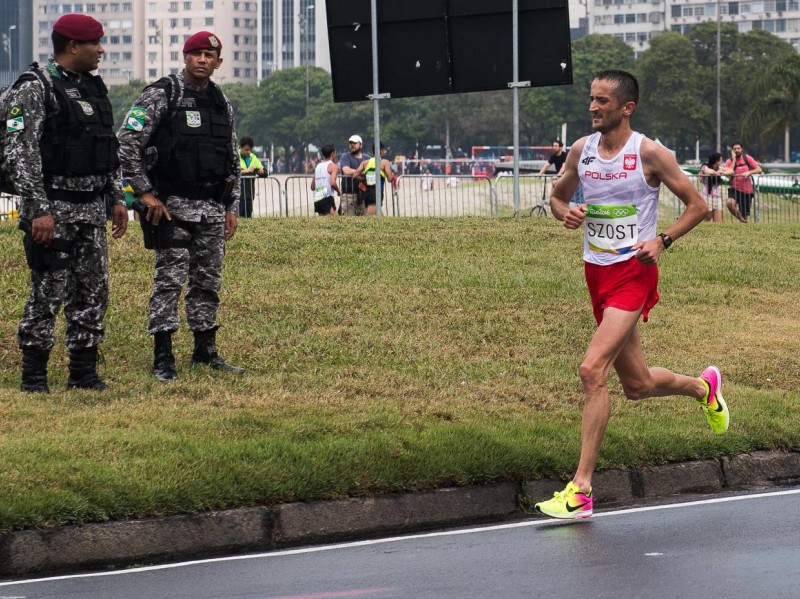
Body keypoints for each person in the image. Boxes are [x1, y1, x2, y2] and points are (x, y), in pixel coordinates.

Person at [535, 70, 729, 520]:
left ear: (627, 108)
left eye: (602, 101)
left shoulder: (649, 153)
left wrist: (662, 241)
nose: (592, 107)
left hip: (633, 275)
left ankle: (580, 490)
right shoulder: (582, 151)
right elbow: (557, 196)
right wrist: (567, 212)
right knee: (637, 385)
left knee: (591, 370)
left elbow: (699, 205)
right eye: (590, 99)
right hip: (596, 275)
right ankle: (704, 388)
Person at [4, 13, 128, 393]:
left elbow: (108, 147)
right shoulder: (35, 87)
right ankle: (34, 376)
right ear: (73, 46)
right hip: (53, 209)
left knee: (93, 291)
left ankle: (83, 373)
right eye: (96, 43)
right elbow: (19, 151)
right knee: (47, 292)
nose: (101, 49)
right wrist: (39, 209)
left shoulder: (93, 88)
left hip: (91, 209)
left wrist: (117, 196)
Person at [117, 30, 245, 382]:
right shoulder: (162, 94)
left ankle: (205, 350)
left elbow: (231, 159)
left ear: (218, 62)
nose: (203, 60)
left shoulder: (221, 102)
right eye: (196, 54)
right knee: (169, 282)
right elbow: (127, 142)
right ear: (185, 57)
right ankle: (163, 356)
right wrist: (144, 193)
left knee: (207, 282)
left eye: (210, 55)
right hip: (171, 208)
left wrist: (232, 206)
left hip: (212, 210)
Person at [721, 142, 761, 223]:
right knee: (730, 203)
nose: (737, 150)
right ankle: (741, 218)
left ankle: (743, 222)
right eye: (735, 149)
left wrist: (749, 172)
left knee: (745, 214)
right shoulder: (729, 161)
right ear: (732, 151)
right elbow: (730, 172)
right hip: (734, 188)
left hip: (747, 190)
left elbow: (759, 170)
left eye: (738, 148)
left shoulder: (747, 158)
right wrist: (734, 160)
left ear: (742, 149)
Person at [354, 143, 394, 216]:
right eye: (383, 150)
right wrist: (392, 175)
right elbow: (389, 179)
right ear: (381, 151)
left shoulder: (365, 162)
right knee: (371, 213)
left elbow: (355, 176)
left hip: (368, 191)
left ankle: (385, 226)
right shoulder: (384, 162)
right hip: (377, 191)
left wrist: (364, 179)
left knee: (377, 211)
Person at [338, 134, 370, 216]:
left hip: (364, 194)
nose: (352, 145)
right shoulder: (345, 156)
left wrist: (356, 174)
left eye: (355, 143)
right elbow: (346, 170)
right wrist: (361, 172)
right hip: (349, 194)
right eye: (350, 143)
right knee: (348, 221)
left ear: (361, 145)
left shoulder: (367, 158)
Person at [238, 136, 265, 218]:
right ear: (240, 148)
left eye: (250, 149)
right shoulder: (235, 156)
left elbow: (264, 171)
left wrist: (261, 171)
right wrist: (246, 171)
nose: (248, 152)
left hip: (249, 195)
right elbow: (231, 172)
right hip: (238, 195)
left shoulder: (253, 157)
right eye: (246, 149)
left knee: (248, 218)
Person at [311, 144, 341, 216]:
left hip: (318, 197)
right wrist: (338, 191)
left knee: (323, 223)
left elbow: (312, 187)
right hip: (327, 197)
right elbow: (332, 183)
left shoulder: (318, 166)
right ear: (333, 154)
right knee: (337, 222)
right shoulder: (333, 166)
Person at [699, 152, 724, 223]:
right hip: (707, 195)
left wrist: (721, 171)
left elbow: (731, 171)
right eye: (721, 160)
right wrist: (717, 173)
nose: (722, 161)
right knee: (707, 218)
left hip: (717, 196)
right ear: (717, 161)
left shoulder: (720, 168)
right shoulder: (705, 166)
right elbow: (707, 171)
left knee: (718, 220)